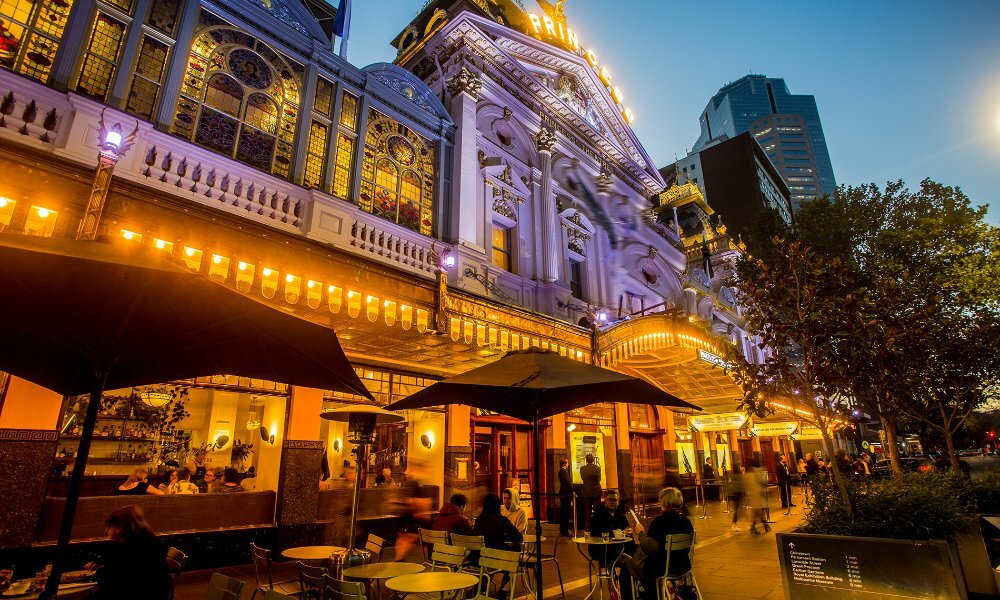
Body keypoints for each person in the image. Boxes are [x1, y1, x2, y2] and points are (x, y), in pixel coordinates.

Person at [87, 506, 172, 599]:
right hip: (155, 590)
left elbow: (116, 579)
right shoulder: (143, 538)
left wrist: (99, 571)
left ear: (121, 527)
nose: (106, 531)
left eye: (110, 527)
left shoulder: (135, 545)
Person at [632, 488, 694, 600]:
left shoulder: (659, 522)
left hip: (662, 567)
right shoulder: (686, 521)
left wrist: (640, 533)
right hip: (683, 565)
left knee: (628, 568)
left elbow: (650, 547)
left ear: (664, 502)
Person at [746, 460, 771, 535]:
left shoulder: (748, 474)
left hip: (752, 496)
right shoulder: (758, 472)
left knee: (757, 512)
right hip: (759, 495)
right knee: (759, 512)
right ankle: (756, 527)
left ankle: (764, 526)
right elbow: (764, 481)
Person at [580, 454, 602, 528]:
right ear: (593, 460)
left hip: (586, 491)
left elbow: (582, 478)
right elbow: (599, 479)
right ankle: (597, 525)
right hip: (596, 491)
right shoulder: (597, 468)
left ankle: (588, 527)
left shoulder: (582, 469)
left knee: (587, 511)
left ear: (586, 460)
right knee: (597, 510)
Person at [558, 458, 573, 536]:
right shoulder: (564, 472)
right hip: (566, 494)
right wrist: (573, 490)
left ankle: (563, 530)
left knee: (564, 512)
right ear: (565, 464)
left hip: (563, 494)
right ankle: (565, 530)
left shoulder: (561, 472)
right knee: (566, 512)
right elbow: (568, 483)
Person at [726, 466, 745, 531]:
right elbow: (741, 484)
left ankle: (734, 524)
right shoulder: (739, 476)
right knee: (737, 510)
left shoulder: (732, 476)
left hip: (732, 494)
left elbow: (730, 485)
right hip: (737, 494)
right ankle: (734, 525)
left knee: (736, 510)